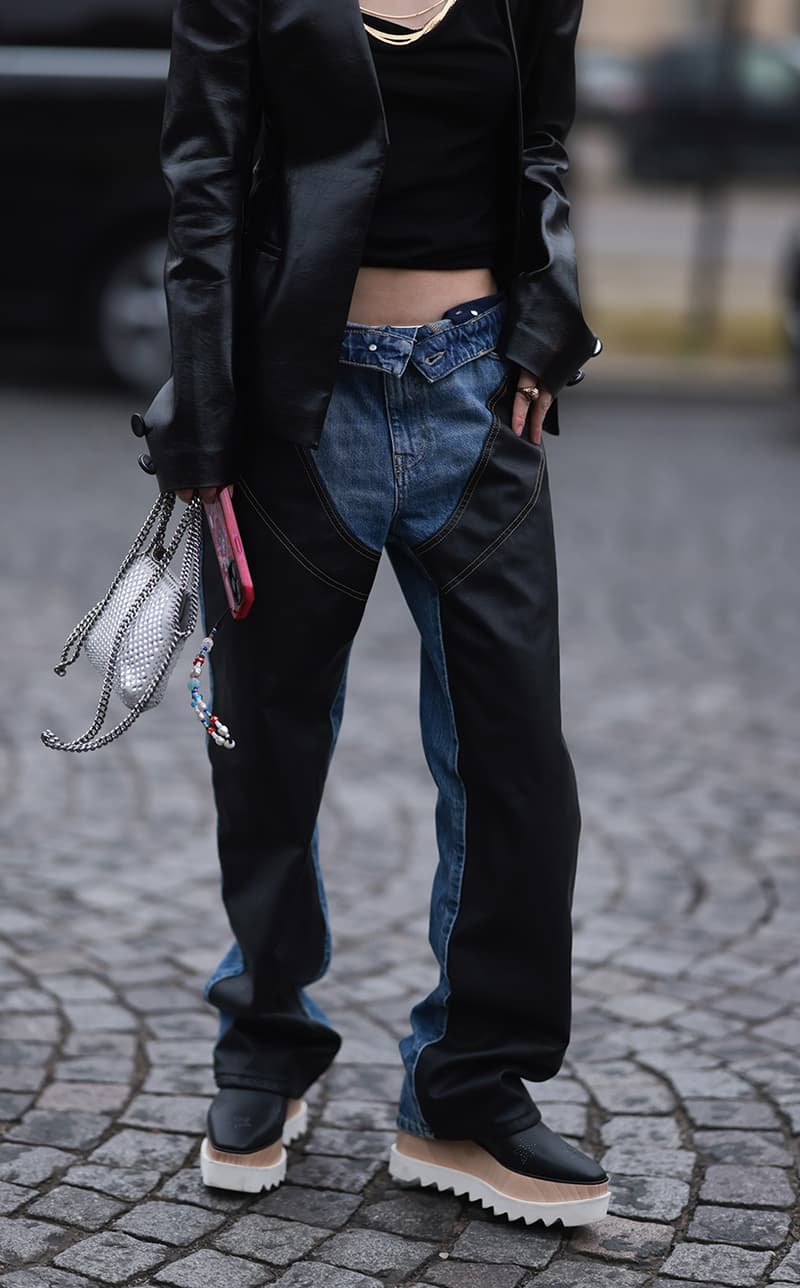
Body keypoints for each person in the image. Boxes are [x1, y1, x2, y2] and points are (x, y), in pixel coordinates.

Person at [134, 0, 609, 1228]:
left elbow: (541, 152)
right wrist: (200, 407)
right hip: (300, 407)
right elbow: (204, 184)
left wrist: (546, 328)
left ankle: (464, 1086)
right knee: (270, 749)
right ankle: (266, 1042)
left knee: (514, 763)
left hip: (475, 397)